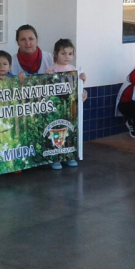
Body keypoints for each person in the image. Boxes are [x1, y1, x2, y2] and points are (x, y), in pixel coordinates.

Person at [45, 38, 87, 170]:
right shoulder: (51, 69)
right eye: (63, 53)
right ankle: (55, 158)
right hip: (56, 107)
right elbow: (45, 86)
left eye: (70, 53)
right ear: (55, 54)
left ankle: (68, 156)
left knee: (69, 131)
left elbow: (77, 87)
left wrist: (82, 80)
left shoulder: (73, 69)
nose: (67, 56)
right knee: (55, 130)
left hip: (70, 107)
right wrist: (48, 76)